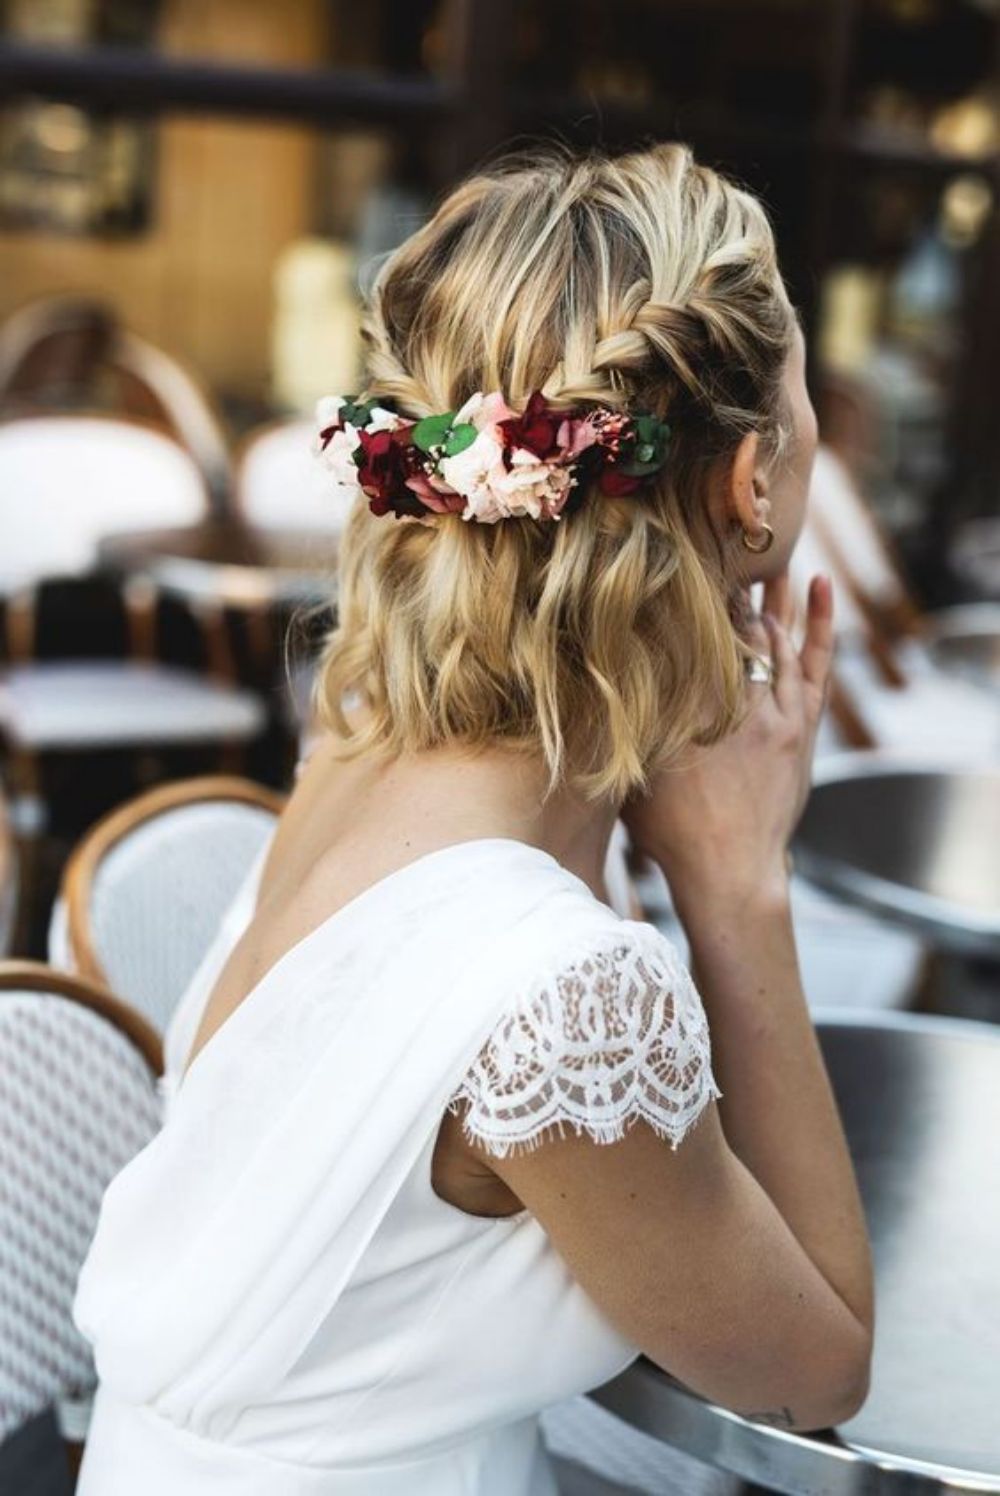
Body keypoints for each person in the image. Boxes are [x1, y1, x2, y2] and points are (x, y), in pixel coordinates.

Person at [70, 142, 874, 1495]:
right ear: (752, 483)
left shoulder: (357, 738)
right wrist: (738, 888)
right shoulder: (565, 1005)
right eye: (800, 401)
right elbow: (814, 1373)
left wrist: (645, 768)